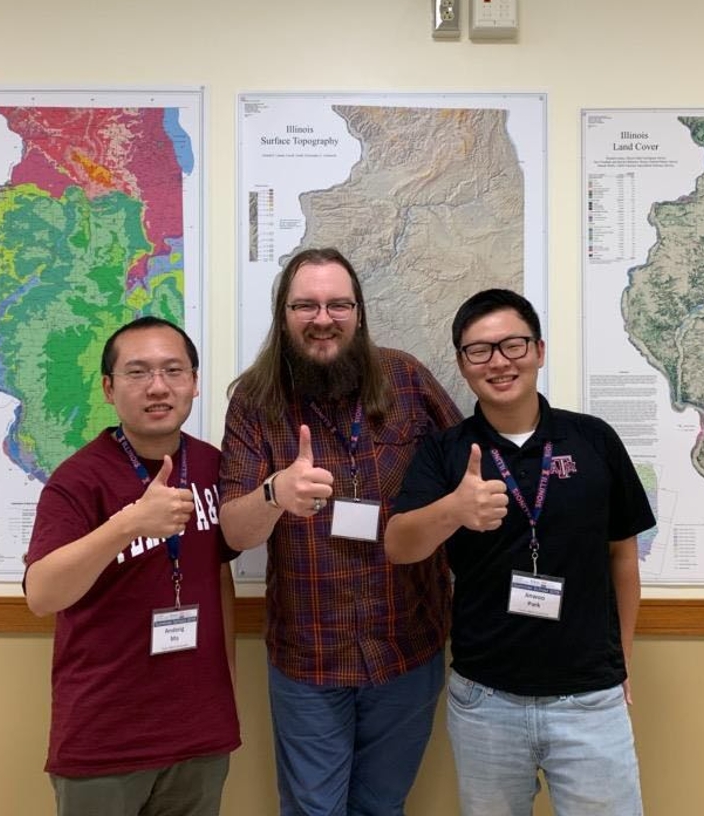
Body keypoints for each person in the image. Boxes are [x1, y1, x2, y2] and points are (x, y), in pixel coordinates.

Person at [386, 288, 653, 816]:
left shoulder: (593, 440)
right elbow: (398, 545)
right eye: (479, 350)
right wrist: (454, 510)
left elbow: (623, 556)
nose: (499, 362)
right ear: (463, 365)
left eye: (513, 344)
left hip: (589, 700)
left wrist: (620, 661)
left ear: (539, 350)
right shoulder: (446, 451)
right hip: (486, 700)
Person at [219, 247, 461, 816]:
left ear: (359, 312)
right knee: (313, 812)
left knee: (383, 807)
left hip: (407, 645)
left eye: (337, 305)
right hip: (311, 656)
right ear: (283, 316)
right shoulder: (254, 401)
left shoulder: (406, 380)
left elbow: (467, 474)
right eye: (305, 305)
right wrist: (275, 492)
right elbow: (233, 529)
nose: (322, 319)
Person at [24, 316, 240, 816]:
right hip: (105, 739)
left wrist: (224, 690)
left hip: (199, 734)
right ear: (108, 387)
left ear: (194, 382)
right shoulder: (78, 480)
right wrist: (128, 524)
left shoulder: (212, 466)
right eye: (138, 373)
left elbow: (219, 576)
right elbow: (42, 594)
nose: (158, 387)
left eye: (173, 371)